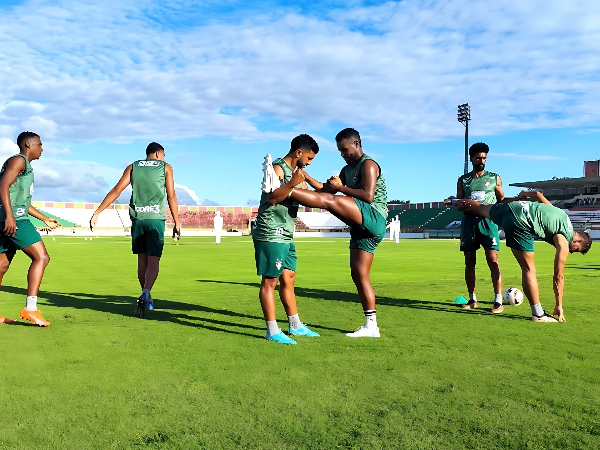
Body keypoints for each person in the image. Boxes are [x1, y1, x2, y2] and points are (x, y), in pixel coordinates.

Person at [286, 128, 388, 337]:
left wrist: (340, 188)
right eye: (340, 151)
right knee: (359, 275)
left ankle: (280, 189)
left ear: (357, 144)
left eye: (345, 150)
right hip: (362, 227)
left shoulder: (368, 164)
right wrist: (306, 177)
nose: (343, 154)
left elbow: (368, 196)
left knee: (329, 203)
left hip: (374, 216)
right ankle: (371, 327)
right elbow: (325, 190)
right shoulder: (346, 170)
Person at [456, 191, 592, 322]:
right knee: (528, 269)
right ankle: (538, 315)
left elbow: (538, 195)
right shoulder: (564, 240)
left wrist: (524, 194)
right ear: (579, 240)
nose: (571, 252)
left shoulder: (563, 215)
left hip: (511, 207)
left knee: (478, 206)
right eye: (575, 250)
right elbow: (558, 276)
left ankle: (453, 201)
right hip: (520, 221)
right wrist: (559, 305)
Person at [90, 142, 181, 317]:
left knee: (142, 261)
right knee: (154, 261)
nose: (163, 158)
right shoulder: (166, 167)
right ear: (156, 154)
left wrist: (98, 212)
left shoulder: (133, 166)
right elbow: (171, 195)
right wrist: (177, 222)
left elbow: (117, 190)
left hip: (138, 219)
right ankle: (146, 293)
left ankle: (147, 297)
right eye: (163, 155)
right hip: (155, 219)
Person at [253, 134, 321, 344]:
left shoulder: (297, 173)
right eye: (309, 158)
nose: (309, 163)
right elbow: (273, 198)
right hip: (271, 231)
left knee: (289, 278)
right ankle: (272, 330)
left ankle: (295, 325)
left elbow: (310, 196)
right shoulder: (277, 169)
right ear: (298, 152)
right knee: (270, 281)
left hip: (287, 232)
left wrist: (306, 181)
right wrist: (293, 182)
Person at [0, 131, 60, 326]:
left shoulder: (23, 167)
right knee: (42, 257)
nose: (42, 149)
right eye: (40, 145)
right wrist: (10, 216)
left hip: (9, 217)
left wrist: (45, 218)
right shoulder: (19, 161)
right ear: (28, 145)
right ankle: (30, 309)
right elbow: (3, 186)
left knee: (1, 266)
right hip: (15, 219)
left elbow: (22, 201)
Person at [444, 143, 508, 314]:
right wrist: (459, 205)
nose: (482, 161)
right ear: (471, 158)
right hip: (469, 223)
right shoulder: (463, 180)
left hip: (488, 222)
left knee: (493, 260)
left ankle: (498, 300)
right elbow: (458, 203)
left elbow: (501, 200)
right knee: (469, 262)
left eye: (484, 158)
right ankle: (472, 299)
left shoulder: (495, 178)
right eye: (478, 158)